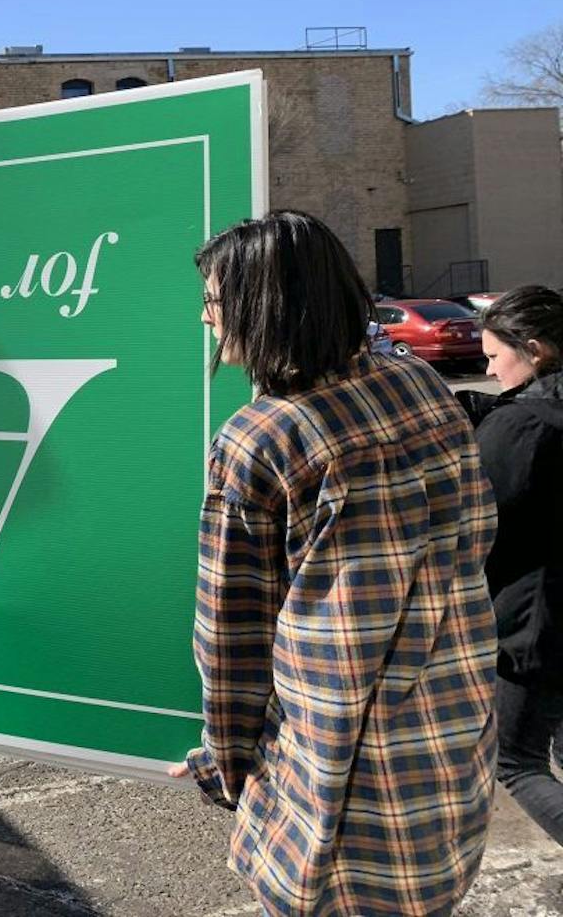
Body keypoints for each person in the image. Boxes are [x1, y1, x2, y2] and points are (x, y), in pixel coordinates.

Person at [169, 212, 499, 916]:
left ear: (267, 308)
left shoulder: (263, 436)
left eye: (216, 301)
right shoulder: (419, 384)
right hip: (448, 729)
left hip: (337, 776)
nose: (204, 317)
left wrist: (222, 762)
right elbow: (478, 530)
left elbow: (232, 636)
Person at [473, 285, 563, 845]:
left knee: (518, 759)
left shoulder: (521, 429)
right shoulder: (538, 412)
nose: (488, 369)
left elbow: (477, 518)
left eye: (492, 358)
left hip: (538, 622)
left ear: (534, 349)